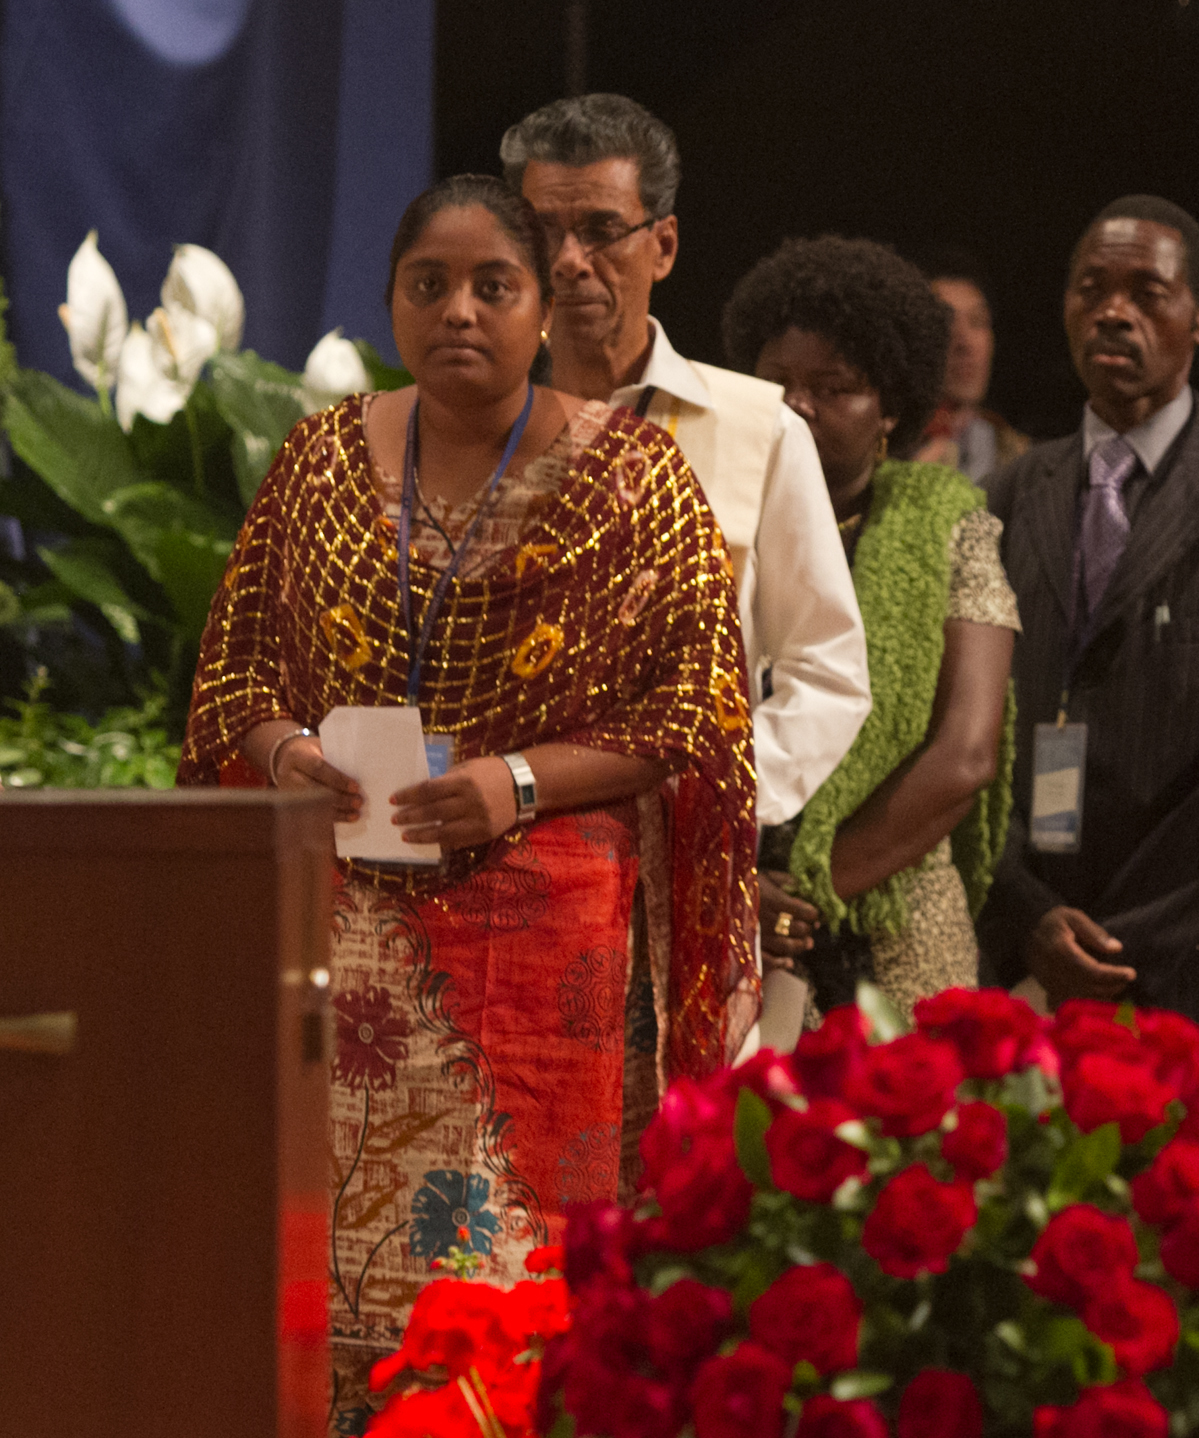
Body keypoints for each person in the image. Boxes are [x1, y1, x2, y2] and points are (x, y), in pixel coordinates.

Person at [176, 175, 756, 1423]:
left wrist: (516, 781)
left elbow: (693, 708)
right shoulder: (321, 459)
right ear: (391, 300)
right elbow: (233, 680)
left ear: (544, 308)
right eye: (428, 284)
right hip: (340, 938)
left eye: (494, 286)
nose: (459, 312)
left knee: (516, 1312)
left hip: (551, 950)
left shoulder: (636, 475)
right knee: (323, 1288)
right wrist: (287, 756)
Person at [503, 93, 869, 1060]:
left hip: (686, 887)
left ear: (662, 245)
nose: (570, 261)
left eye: (600, 230)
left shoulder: (757, 429)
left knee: (680, 1133)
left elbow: (829, 667)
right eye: (542, 232)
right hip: (507, 873)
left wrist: (730, 800)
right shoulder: (471, 432)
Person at [977, 195, 1199, 1068]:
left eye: (1147, 293)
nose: (1113, 311)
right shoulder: (1004, 496)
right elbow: (959, 734)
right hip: (1029, 966)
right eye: (1091, 289)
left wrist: (1112, 946)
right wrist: (1030, 917)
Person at [723, 235, 1018, 1025]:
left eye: (835, 387)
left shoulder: (947, 522)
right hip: (726, 910)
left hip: (896, 922)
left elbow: (965, 755)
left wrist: (808, 889)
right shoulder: (708, 516)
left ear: (891, 405)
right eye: (776, 383)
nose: (797, 405)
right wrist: (735, 893)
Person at [913, 248, 1031, 484]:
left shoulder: (1023, 460)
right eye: (945, 324)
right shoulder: (883, 454)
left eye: (977, 321)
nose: (964, 343)